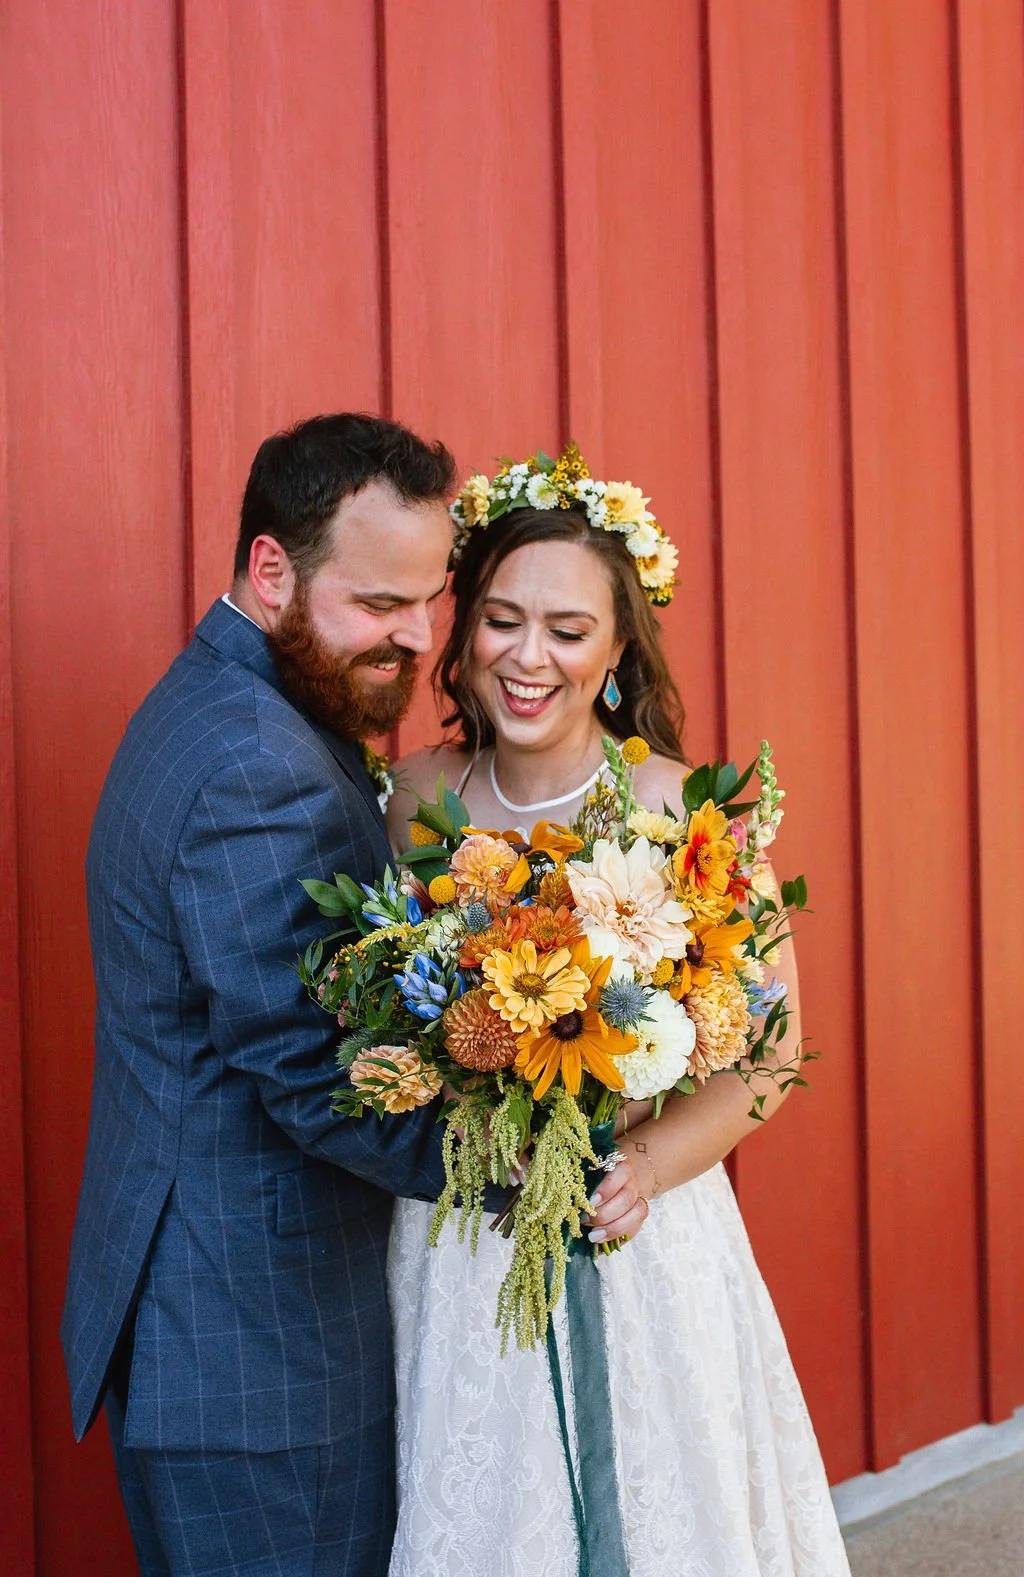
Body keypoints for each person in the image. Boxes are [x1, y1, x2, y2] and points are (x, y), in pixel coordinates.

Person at [384, 453, 851, 1576]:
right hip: (465, 1228)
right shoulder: (415, 797)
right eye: (500, 620)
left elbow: (772, 1053)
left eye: (566, 628)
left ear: (615, 651)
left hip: (633, 1221)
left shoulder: (674, 810)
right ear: (463, 636)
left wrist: (646, 1158)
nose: (528, 657)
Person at [64, 412, 472, 1577]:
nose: (415, 635)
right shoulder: (255, 759)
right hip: (258, 1352)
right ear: (270, 566)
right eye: (378, 604)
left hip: (207, 1308)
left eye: (429, 598)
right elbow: (315, 1069)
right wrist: (521, 1161)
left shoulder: (234, 702)